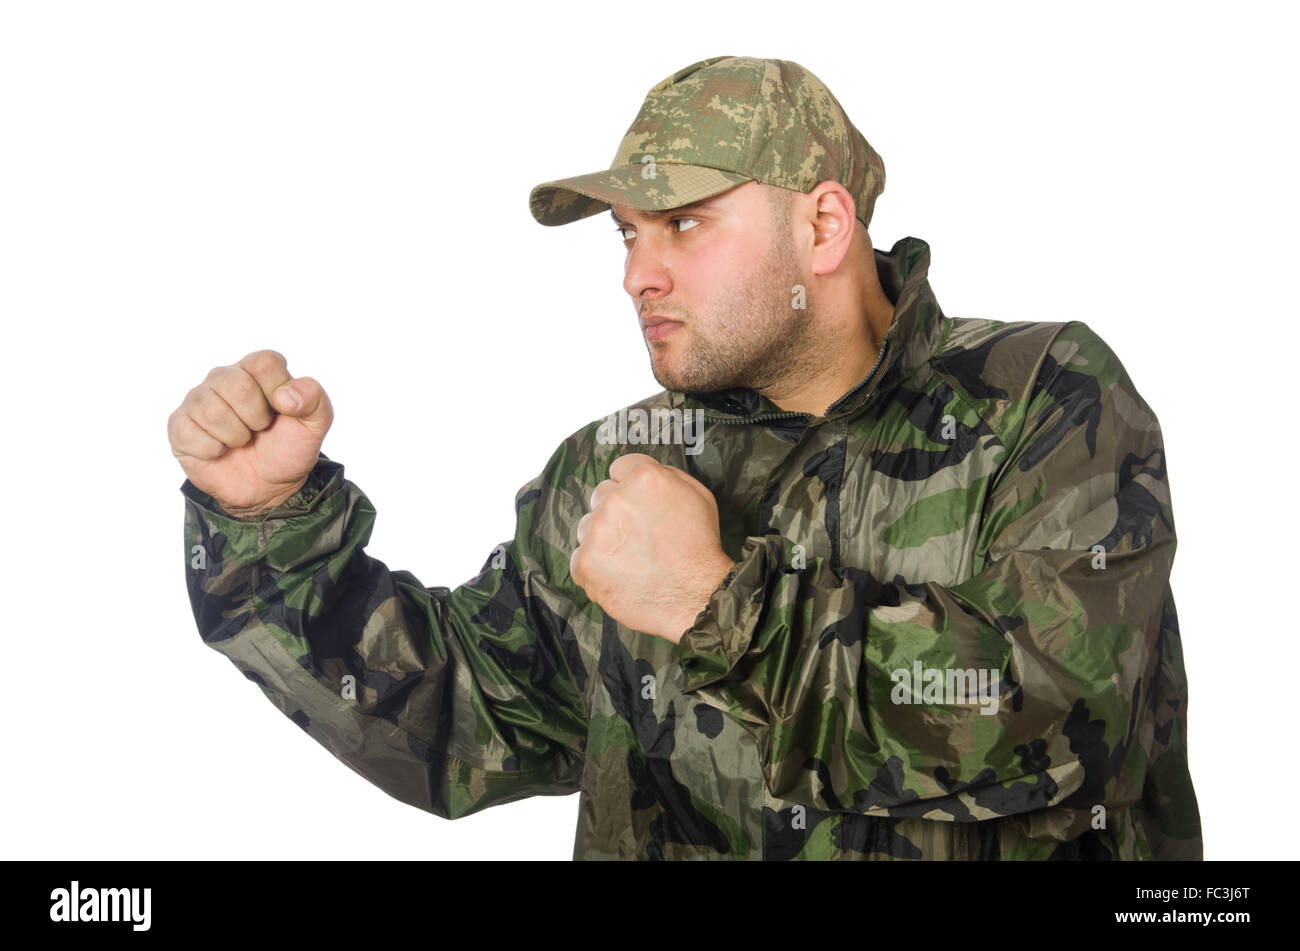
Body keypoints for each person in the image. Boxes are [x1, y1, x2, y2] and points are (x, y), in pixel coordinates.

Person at [170, 55, 1202, 860]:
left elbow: (1060, 725)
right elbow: (456, 719)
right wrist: (272, 530)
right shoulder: (616, 466)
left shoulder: (1041, 395)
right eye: (625, 234)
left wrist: (716, 608)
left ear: (823, 225)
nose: (636, 275)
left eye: (684, 224)